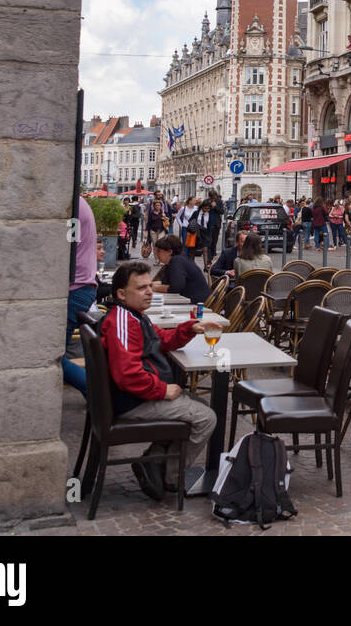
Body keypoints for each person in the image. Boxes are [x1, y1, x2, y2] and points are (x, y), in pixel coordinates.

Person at [97, 260, 221, 499]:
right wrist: (162, 390)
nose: (149, 291)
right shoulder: (122, 321)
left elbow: (159, 339)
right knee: (206, 418)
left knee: (200, 406)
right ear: (121, 294)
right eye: (141, 288)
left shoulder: (134, 316)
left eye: (149, 286)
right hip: (132, 403)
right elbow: (127, 375)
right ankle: (171, 478)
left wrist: (189, 328)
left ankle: (153, 462)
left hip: (136, 396)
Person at [64, 196, 98, 396]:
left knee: (50, 356)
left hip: (75, 288)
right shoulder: (75, 203)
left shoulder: (71, 206)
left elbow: (67, 246)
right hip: (80, 287)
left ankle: (100, 395)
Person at [151, 235, 211, 305]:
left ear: (170, 251)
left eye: (159, 251)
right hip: (190, 301)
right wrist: (149, 285)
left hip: (197, 305)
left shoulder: (177, 261)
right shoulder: (176, 260)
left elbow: (176, 287)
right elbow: (165, 283)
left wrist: (153, 288)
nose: (156, 253)